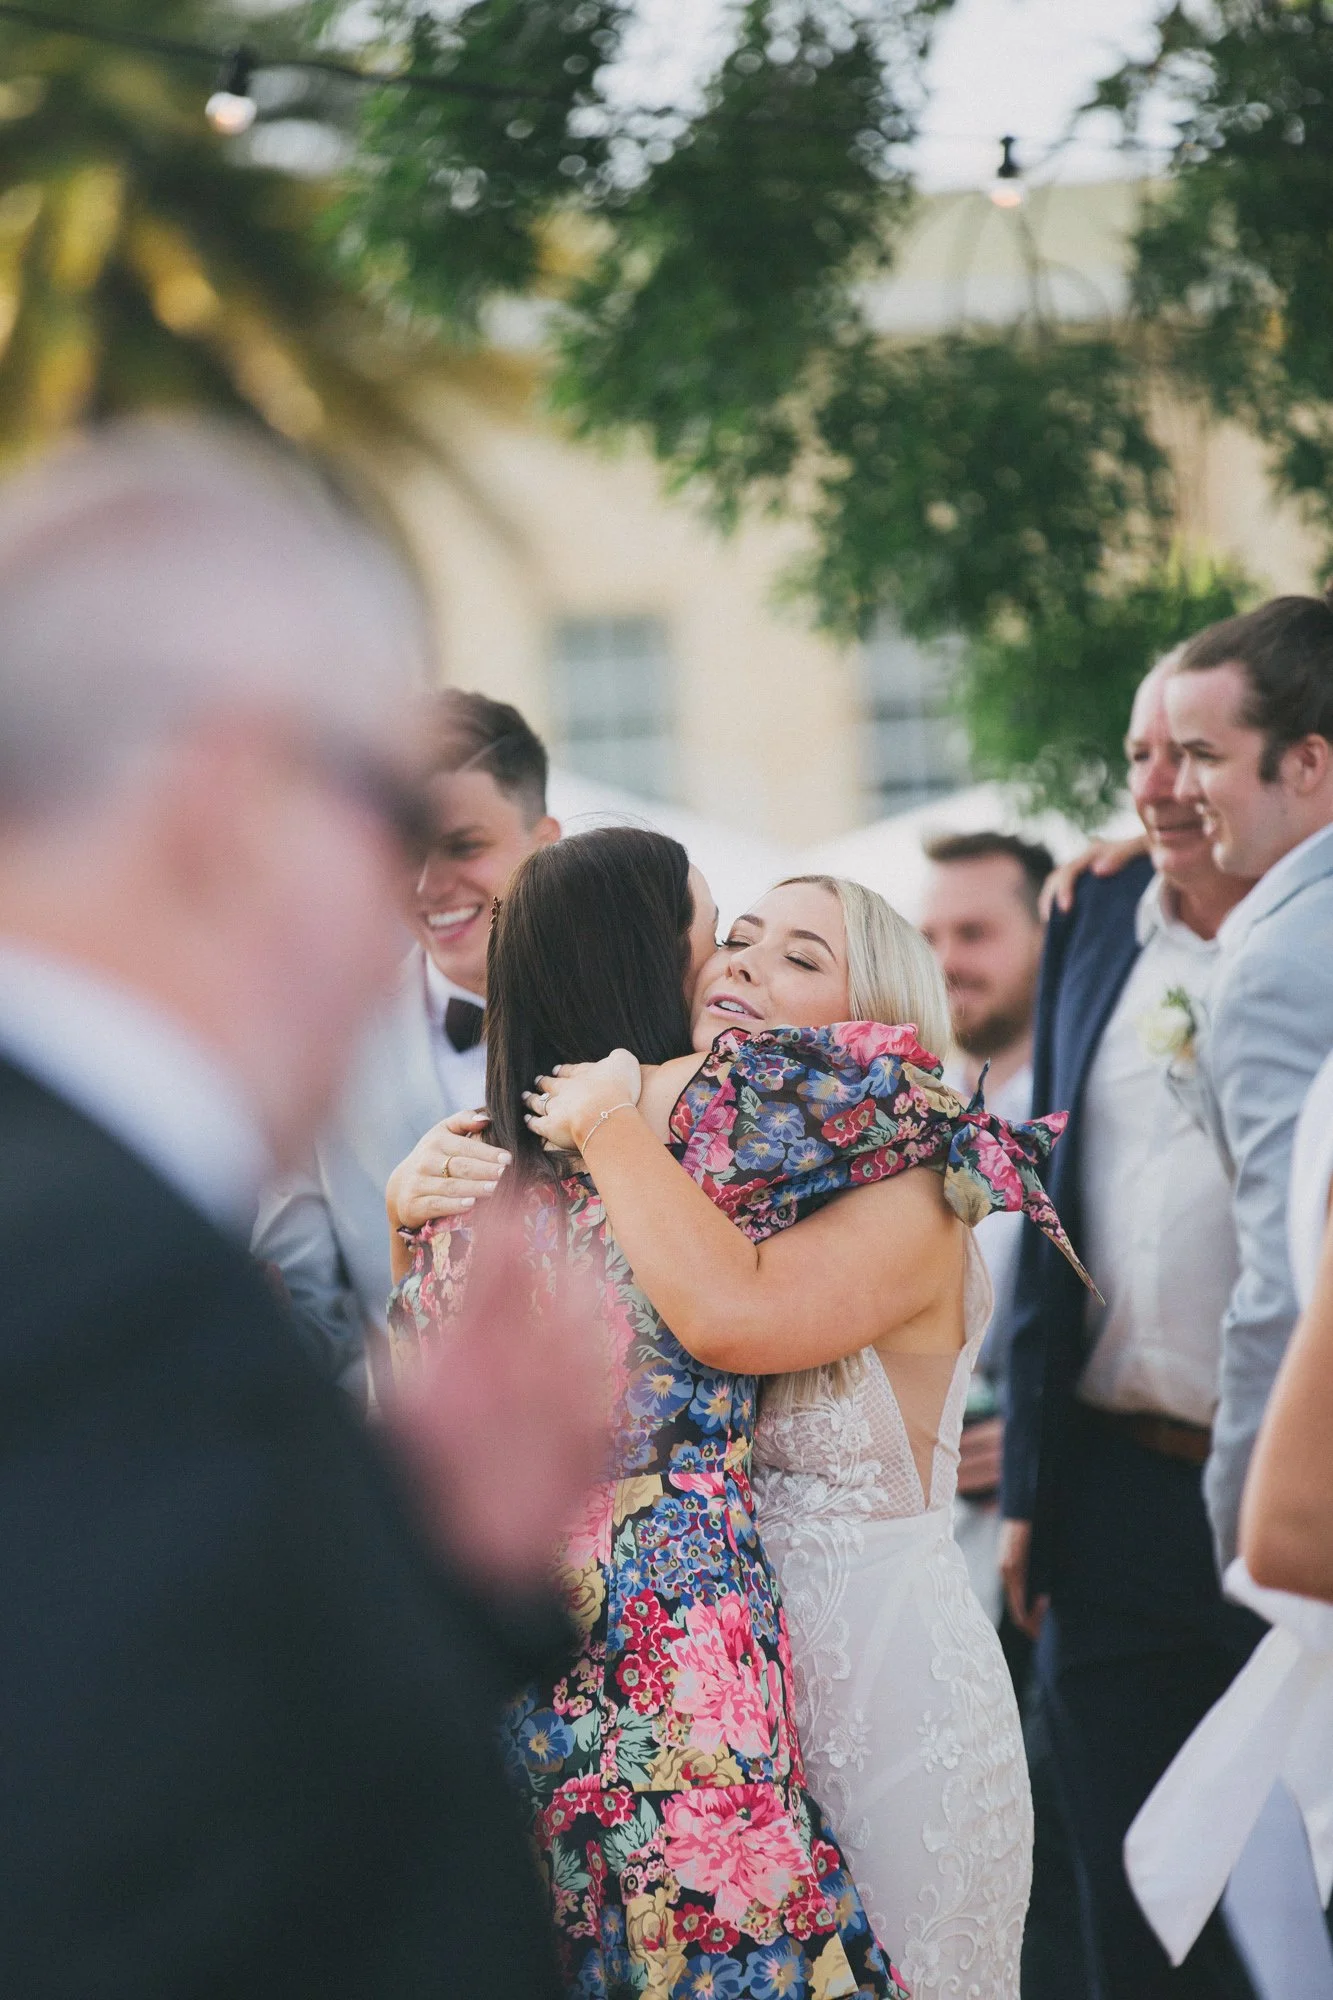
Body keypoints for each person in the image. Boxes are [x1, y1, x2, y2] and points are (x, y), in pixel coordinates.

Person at [0, 419, 605, 1997]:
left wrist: (428, 1561)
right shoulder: (103, 1287)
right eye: (397, 825)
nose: (413, 904)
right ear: (229, 798)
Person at [520, 872, 1094, 1996]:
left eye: (797, 955)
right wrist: (416, 1203)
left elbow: (734, 1315)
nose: (740, 963)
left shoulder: (921, 1183)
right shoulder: (692, 1190)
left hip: (887, 1694)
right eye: (733, 941)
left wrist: (603, 1117)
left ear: (871, 1006)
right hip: (704, 1720)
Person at [390, 832, 913, 2000]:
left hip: (505, 1626)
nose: (729, 970)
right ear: (640, 956)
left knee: (578, 1930)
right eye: (712, 933)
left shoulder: (459, 1186)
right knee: (718, 1920)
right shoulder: (711, 1138)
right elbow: (897, 1096)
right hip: (673, 1616)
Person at [998, 655, 1266, 2000]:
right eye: (1139, 754)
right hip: (1110, 1493)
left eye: (1189, 755)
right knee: (1129, 1908)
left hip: (1293, 1488)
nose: (1156, 786)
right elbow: (1045, 1194)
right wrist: (1034, 1492)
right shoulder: (1092, 909)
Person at [252, 689, 559, 1398]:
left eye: (463, 847)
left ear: (544, 840)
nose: (428, 884)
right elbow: (304, 1299)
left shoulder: (639, 1015)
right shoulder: (320, 1044)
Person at [1162, 594, 1333, 1568]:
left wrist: (1242, 1522)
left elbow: (1280, 1282)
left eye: (1205, 755)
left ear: (1304, 762)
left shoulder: (1271, 968)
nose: (1182, 787)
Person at [918, 831, 1052, 1606]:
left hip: (1052, 1539)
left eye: (974, 934)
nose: (945, 960)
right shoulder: (905, 1110)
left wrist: (1037, 1438)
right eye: (929, 936)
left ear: (1045, 937)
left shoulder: (1090, 1115)